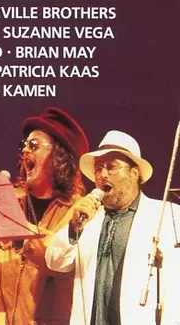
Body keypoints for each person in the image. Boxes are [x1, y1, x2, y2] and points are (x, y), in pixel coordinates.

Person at [45, 130, 180, 325]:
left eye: (111, 167)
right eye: (98, 168)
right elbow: (55, 262)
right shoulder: (88, 218)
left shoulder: (165, 214)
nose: (102, 174)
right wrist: (73, 228)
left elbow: (175, 287)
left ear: (134, 173)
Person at [0, 106, 88, 325]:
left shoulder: (78, 210)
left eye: (34, 145)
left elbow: (60, 260)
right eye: (23, 145)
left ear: (59, 157)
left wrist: (19, 230)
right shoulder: (9, 201)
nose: (25, 151)